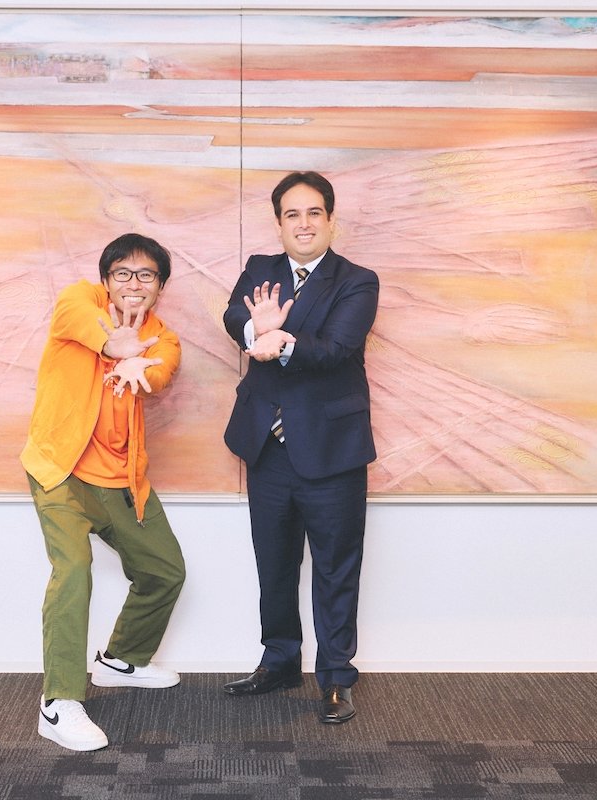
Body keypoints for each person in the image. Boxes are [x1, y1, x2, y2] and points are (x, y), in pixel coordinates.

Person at [221, 171, 379, 724]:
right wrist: (253, 332)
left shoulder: (357, 281)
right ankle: (280, 661)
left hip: (331, 449)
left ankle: (336, 677)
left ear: (330, 221)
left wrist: (278, 340)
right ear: (279, 223)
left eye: (314, 213)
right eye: (293, 214)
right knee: (275, 562)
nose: (304, 223)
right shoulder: (260, 269)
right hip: (268, 447)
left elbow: (336, 348)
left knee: (335, 567)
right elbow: (234, 316)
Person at [21, 233, 186, 751]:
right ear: (106, 279)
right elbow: (82, 319)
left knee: (164, 570)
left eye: (146, 275)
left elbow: (161, 371)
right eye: (123, 273)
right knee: (73, 570)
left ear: (160, 286)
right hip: (62, 471)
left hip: (120, 479)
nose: (134, 283)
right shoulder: (78, 301)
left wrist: (142, 366)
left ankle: (122, 660)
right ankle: (59, 702)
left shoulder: (164, 337)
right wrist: (115, 345)